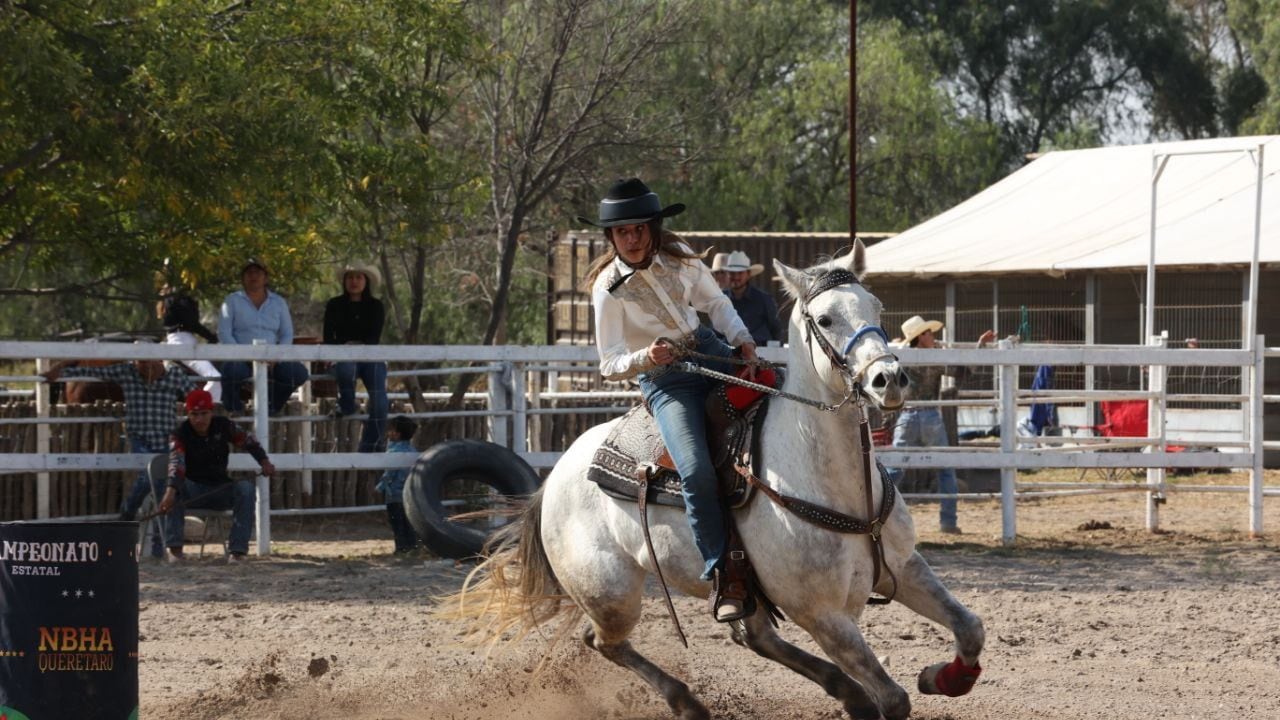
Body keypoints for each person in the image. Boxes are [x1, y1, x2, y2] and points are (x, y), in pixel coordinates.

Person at [580, 177, 759, 622]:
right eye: (623, 231)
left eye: (640, 228)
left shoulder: (680, 260)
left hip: (709, 351)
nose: (632, 238)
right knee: (696, 470)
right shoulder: (607, 288)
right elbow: (610, 362)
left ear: (654, 228)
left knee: (781, 395)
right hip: (665, 380)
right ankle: (724, 574)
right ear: (611, 237)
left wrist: (743, 340)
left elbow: (716, 304)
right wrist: (647, 356)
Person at [42, 355, 195, 545]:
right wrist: (61, 369)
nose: (146, 366)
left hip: (166, 439)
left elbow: (195, 396)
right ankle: (141, 524)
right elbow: (93, 371)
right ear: (135, 362)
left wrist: (197, 416)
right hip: (140, 437)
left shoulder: (174, 375)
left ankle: (134, 518)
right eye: (141, 361)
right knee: (155, 479)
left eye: (149, 360)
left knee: (159, 483)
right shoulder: (127, 371)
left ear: (159, 361)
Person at [888, 315, 995, 534]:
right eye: (929, 333)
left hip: (907, 417)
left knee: (894, 468)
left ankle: (877, 512)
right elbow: (963, 372)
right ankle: (948, 521)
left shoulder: (901, 357)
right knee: (945, 469)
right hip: (930, 417)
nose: (933, 336)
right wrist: (980, 346)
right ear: (921, 337)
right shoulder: (934, 359)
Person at [157, 389, 275, 563]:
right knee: (174, 490)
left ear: (211, 412)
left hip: (220, 488)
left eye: (204, 414)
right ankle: (175, 550)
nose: (199, 420)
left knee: (246, 489)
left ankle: (237, 551)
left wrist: (264, 461)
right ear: (187, 414)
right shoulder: (180, 434)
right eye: (194, 414)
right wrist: (170, 492)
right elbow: (177, 464)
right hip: (192, 490)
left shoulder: (224, 425)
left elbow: (248, 441)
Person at [216, 258, 309, 416]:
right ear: (243, 278)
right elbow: (224, 333)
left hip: (272, 360)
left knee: (298, 373)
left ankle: (271, 406)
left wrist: (276, 356)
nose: (253, 276)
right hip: (241, 359)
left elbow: (287, 333)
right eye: (249, 272)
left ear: (265, 277)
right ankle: (233, 410)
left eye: (257, 272)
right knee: (231, 371)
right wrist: (243, 355)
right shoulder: (231, 300)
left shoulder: (279, 302)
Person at [323, 262, 389, 452]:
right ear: (344, 281)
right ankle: (347, 403)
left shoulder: (376, 306)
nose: (354, 281)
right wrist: (345, 346)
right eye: (350, 277)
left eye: (359, 277)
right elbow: (329, 337)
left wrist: (350, 344)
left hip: (369, 356)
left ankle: (371, 444)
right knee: (346, 367)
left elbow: (373, 337)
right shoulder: (334, 305)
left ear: (366, 281)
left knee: (380, 401)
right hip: (341, 356)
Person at [157, 286, 222, 400]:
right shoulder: (179, 300)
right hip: (182, 341)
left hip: (183, 339)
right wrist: (211, 337)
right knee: (215, 377)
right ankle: (205, 406)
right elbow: (192, 323)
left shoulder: (172, 300)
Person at [375, 415, 420, 553]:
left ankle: (401, 547)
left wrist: (380, 487)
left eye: (390, 430)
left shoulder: (393, 452)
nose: (388, 433)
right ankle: (412, 546)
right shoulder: (413, 451)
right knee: (409, 522)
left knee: (397, 523)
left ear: (397, 434)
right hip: (410, 494)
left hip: (394, 494)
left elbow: (389, 473)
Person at [721, 250, 782, 345]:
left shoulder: (764, 299)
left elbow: (775, 328)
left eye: (740, 273)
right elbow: (715, 329)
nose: (736, 277)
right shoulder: (721, 299)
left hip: (761, 352)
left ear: (748, 274)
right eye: (732, 273)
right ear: (727, 274)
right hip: (727, 353)